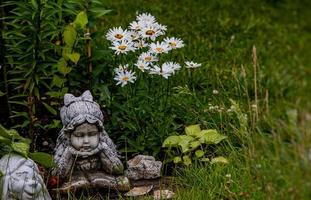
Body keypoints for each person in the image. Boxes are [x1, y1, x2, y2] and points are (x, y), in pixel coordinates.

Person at [53, 90, 125, 186]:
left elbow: (118, 169)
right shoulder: (67, 149)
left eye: (92, 134)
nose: (86, 141)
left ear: (100, 134)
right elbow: (57, 176)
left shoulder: (101, 146)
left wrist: (103, 149)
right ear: (68, 136)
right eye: (79, 135)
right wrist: (69, 152)